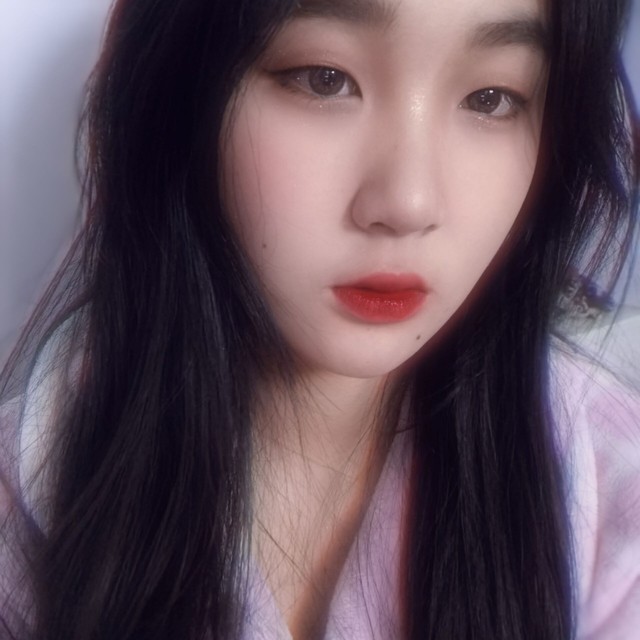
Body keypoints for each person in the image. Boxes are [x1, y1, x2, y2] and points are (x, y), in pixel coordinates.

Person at [1, 0, 639, 638]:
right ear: (183, 91)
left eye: (491, 99)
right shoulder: (26, 507)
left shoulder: (608, 492)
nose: (408, 203)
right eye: (324, 79)